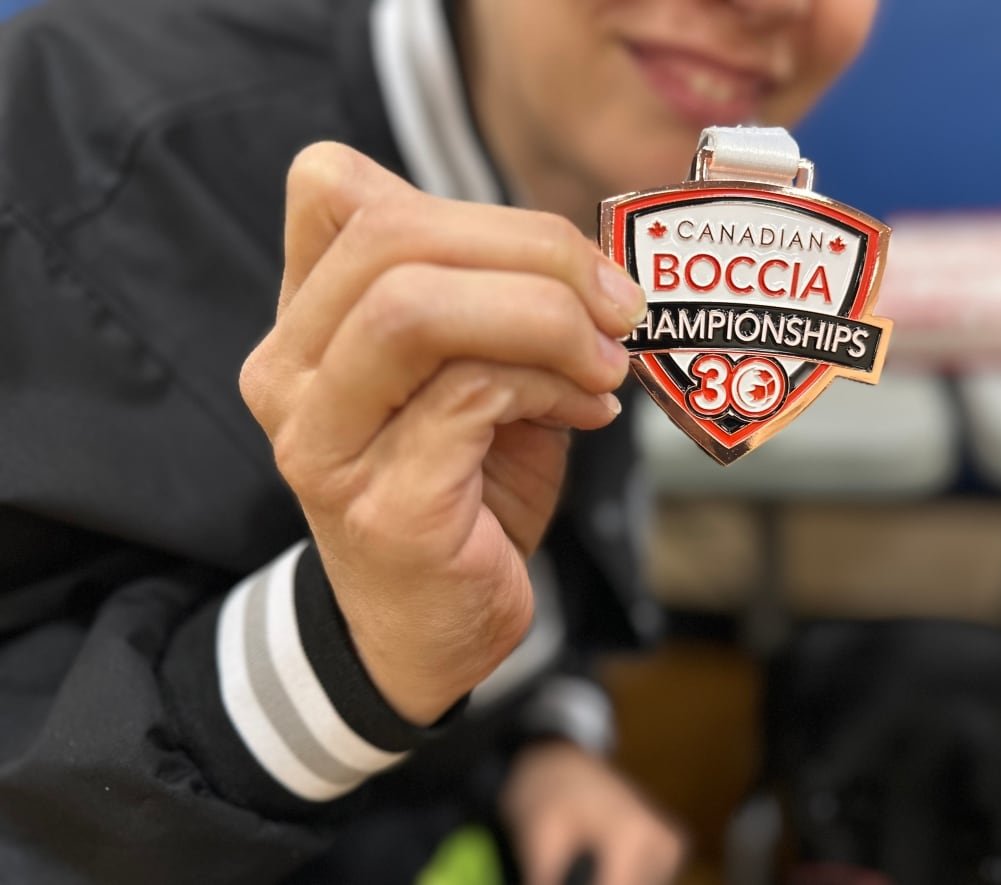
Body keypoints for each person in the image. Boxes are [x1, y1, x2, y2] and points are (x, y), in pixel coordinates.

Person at [0, 0, 877, 881]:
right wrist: (346, 650)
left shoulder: (635, 168)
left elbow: (552, 544)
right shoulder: (52, 145)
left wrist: (540, 745)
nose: (777, 4)